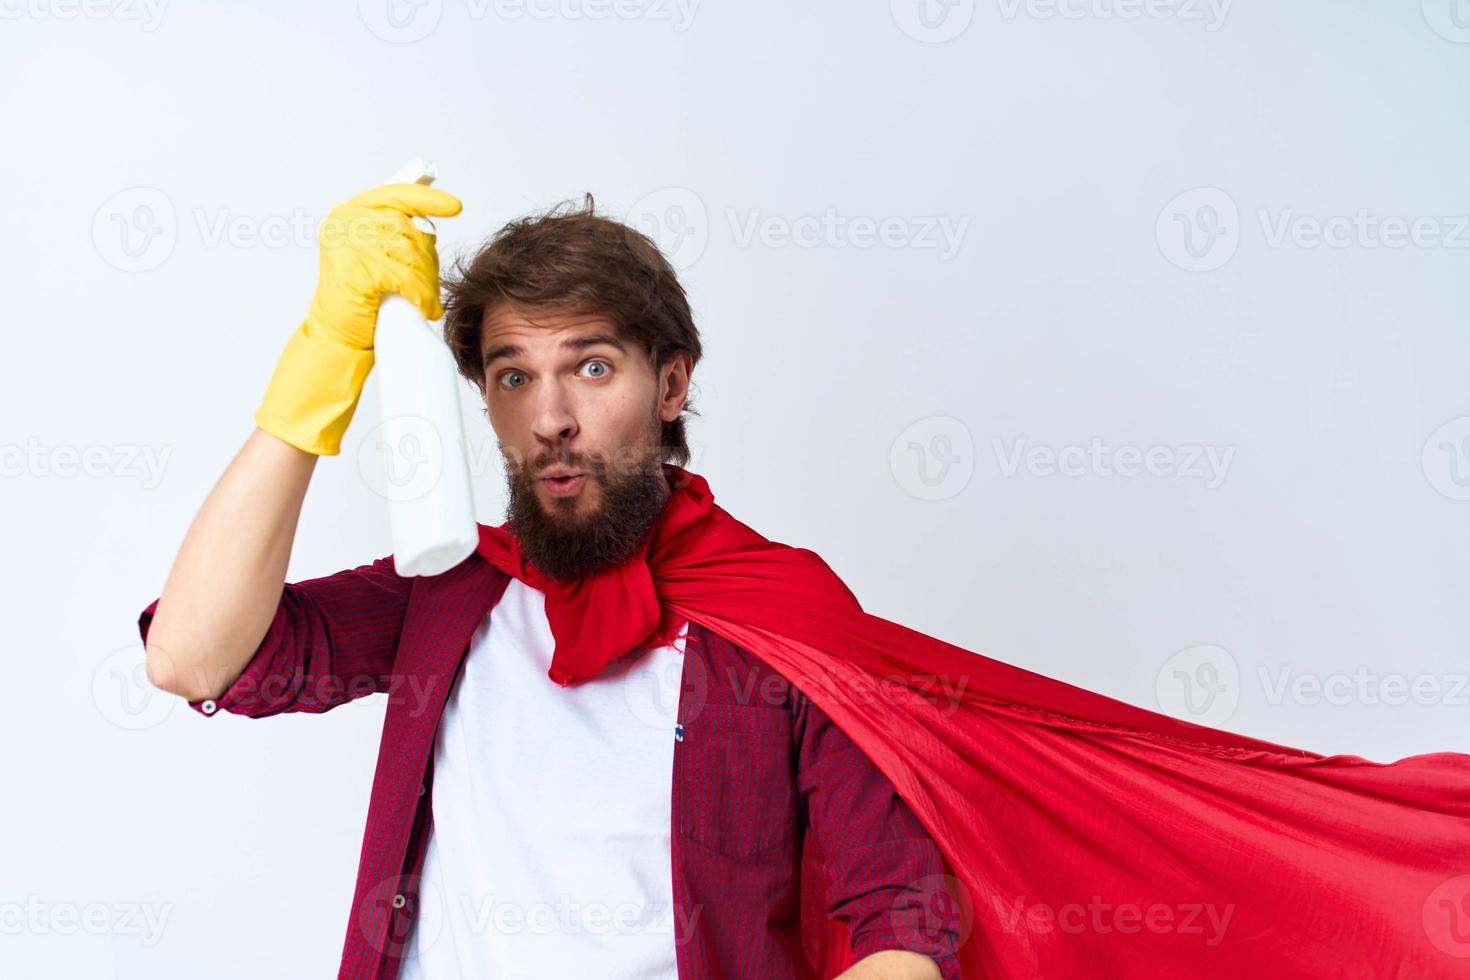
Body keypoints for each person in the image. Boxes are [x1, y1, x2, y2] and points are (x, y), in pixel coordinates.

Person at [138, 176, 960, 980]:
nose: (550, 418)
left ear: (671, 383)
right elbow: (193, 656)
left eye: (592, 367)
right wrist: (323, 361)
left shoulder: (781, 612)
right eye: (513, 376)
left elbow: (899, 916)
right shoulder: (449, 591)